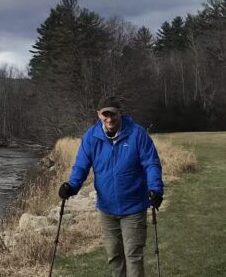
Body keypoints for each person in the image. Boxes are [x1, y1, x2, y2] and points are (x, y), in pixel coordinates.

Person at [58, 96, 164, 277]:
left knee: (133, 257)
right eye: (104, 115)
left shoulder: (137, 134)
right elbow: (81, 166)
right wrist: (71, 186)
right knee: (114, 257)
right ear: (98, 115)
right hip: (106, 209)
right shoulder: (91, 137)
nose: (109, 119)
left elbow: (151, 163)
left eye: (112, 114)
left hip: (134, 207)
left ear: (119, 113)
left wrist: (156, 188)